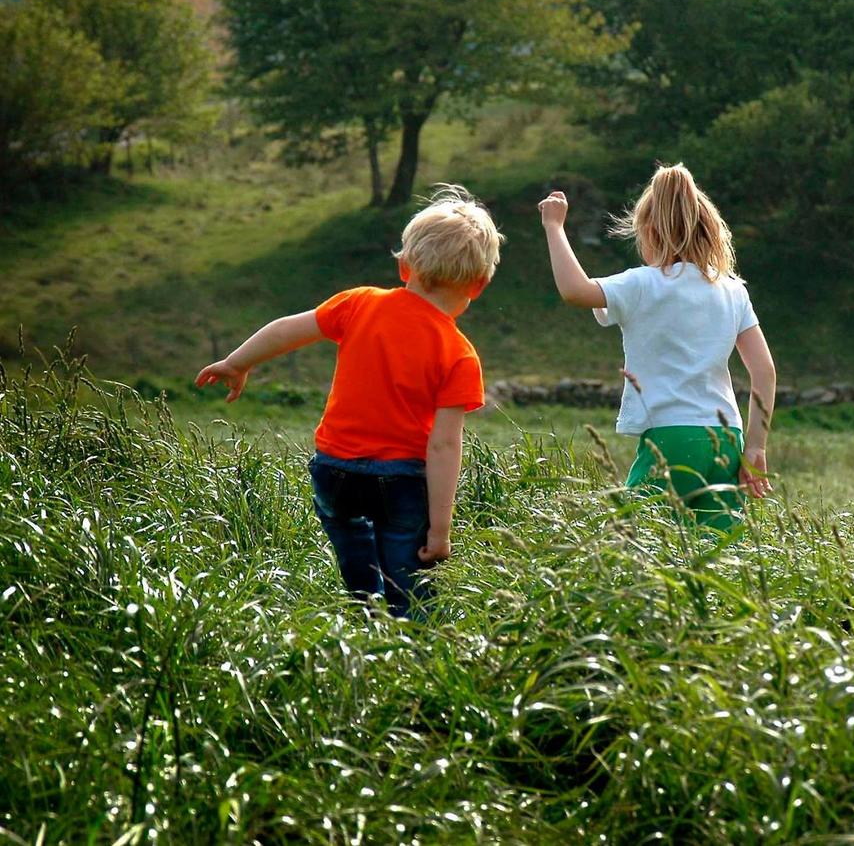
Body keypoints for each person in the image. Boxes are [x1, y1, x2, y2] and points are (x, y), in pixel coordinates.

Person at [195, 186, 503, 616]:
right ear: (480, 284)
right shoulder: (459, 354)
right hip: (401, 481)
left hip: (334, 469)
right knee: (408, 586)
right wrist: (440, 529)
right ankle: (410, 649)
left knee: (360, 572)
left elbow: (289, 329)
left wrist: (237, 362)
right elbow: (444, 445)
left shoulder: (359, 304)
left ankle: (363, 614)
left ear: (403, 267)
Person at [538, 164, 776, 532]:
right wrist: (755, 447)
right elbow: (764, 371)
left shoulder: (642, 284)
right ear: (707, 228)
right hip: (728, 438)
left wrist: (554, 227)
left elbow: (574, 290)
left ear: (649, 230)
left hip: (672, 437)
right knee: (719, 556)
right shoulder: (732, 290)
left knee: (635, 544)